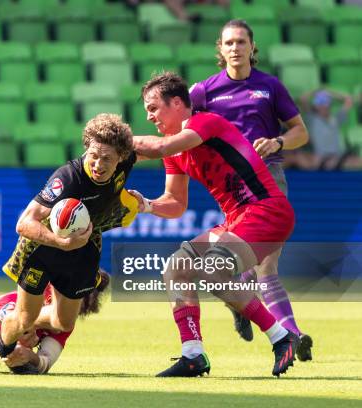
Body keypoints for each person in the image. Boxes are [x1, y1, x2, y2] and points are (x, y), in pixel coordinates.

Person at [131, 71, 299, 377]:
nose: (149, 115)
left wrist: (117, 140)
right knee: (175, 268)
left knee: (212, 270)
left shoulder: (205, 122)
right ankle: (193, 354)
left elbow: (156, 148)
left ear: (178, 102)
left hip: (266, 211)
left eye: (153, 107)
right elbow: (175, 204)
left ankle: (281, 336)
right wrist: (146, 205)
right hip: (236, 219)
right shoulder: (174, 149)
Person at [187, 19, 313, 361]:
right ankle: (277, 325)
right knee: (252, 264)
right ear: (220, 48)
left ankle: (291, 334)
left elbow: (301, 132)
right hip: (232, 188)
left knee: (267, 265)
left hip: (269, 177)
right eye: (228, 43)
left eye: (241, 42)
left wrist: (277, 142)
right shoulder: (203, 92)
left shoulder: (270, 87)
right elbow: (184, 129)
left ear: (252, 47)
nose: (235, 48)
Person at [0, 113, 139, 359]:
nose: (98, 164)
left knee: (63, 323)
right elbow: (24, 223)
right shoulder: (67, 179)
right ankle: (5, 345)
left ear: (122, 158)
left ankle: (23, 316)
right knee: (24, 319)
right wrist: (62, 242)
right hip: (42, 248)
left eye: (107, 158)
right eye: (93, 155)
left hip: (84, 246)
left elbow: (153, 148)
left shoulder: (127, 161)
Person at [284, 89, 362, 171]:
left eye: (325, 103)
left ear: (329, 105)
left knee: (357, 161)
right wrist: (317, 91)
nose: (323, 106)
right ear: (315, 106)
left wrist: (329, 92)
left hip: (337, 158)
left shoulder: (335, 119)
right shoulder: (312, 119)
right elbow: (303, 98)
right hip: (321, 160)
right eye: (320, 103)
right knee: (293, 157)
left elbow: (348, 101)